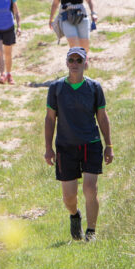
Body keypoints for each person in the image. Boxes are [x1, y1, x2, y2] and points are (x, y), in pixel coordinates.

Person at [43, 47, 113, 242]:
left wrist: (109, 145)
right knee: (69, 197)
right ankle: (74, 215)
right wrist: (48, 148)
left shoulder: (94, 87)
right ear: (66, 63)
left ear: (85, 63)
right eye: (71, 60)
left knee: (90, 188)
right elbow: (50, 119)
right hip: (66, 146)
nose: (75, 64)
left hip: (91, 144)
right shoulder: (56, 88)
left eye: (78, 61)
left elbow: (102, 115)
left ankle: (91, 232)